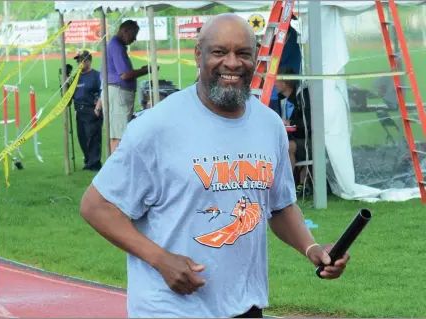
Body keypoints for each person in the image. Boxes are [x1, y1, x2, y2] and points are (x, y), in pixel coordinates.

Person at [80, 13, 349, 319]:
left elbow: (280, 206)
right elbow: (96, 205)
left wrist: (311, 248)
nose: (232, 63)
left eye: (243, 53)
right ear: (199, 54)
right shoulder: (156, 127)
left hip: (245, 306)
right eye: (220, 52)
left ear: (256, 58)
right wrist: (161, 259)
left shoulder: (269, 125)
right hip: (169, 309)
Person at [106, 20, 151, 153]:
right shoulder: (116, 46)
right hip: (119, 93)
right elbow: (124, 75)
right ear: (125, 31)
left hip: (118, 93)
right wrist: (144, 70)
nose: (135, 39)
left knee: (119, 133)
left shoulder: (117, 45)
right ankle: (116, 170)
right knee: (119, 136)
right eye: (134, 34)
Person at [274, 67, 312, 195]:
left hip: (308, 140)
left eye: (277, 81)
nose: (274, 83)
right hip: (290, 137)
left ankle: (287, 186)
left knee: (288, 147)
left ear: (285, 83)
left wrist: (290, 123)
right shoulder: (279, 99)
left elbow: (310, 122)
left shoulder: (302, 98)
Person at [72, 50, 103, 171]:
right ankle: (88, 160)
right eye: (78, 61)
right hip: (80, 111)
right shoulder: (76, 77)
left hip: (92, 109)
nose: (79, 63)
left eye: (81, 60)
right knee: (82, 137)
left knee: (93, 138)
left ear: (89, 61)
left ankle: (94, 163)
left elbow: (102, 92)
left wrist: (98, 108)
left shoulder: (96, 76)